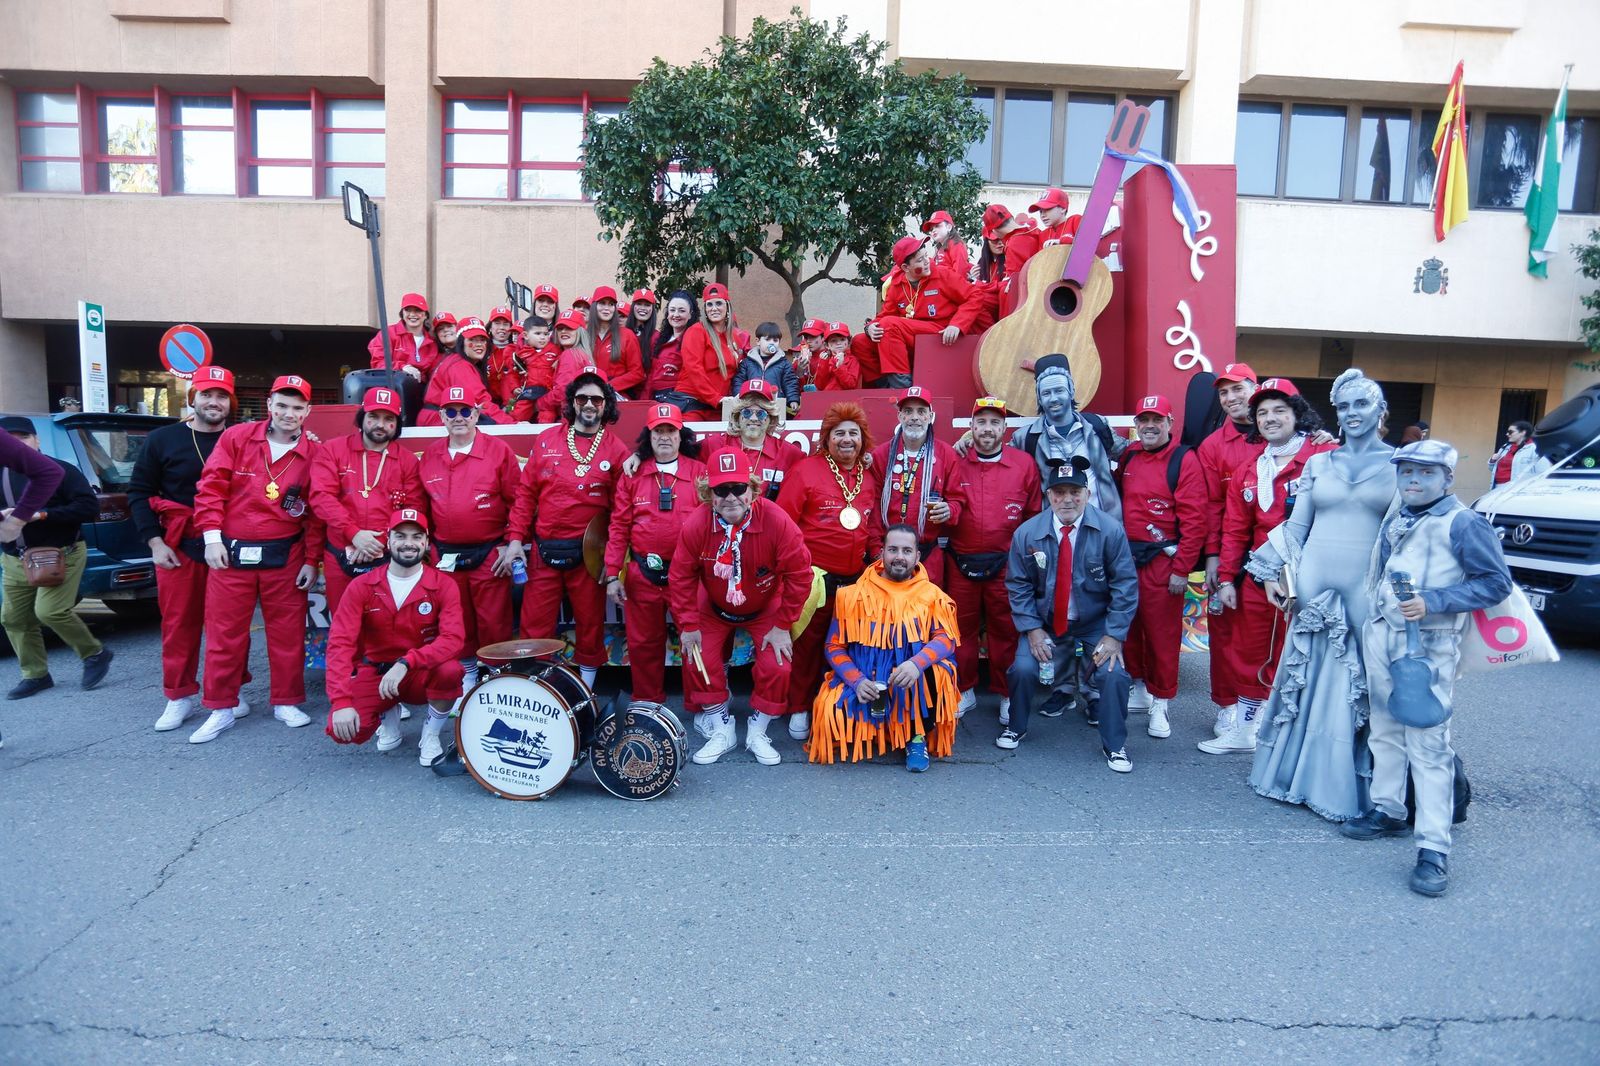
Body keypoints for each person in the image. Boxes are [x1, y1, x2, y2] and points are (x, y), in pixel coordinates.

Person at [1344, 440, 1512, 897]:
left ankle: (1434, 847)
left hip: (1429, 646)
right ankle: (1389, 809)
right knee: (1383, 729)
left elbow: (1496, 584)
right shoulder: (1399, 515)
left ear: (1447, 478)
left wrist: (1435, 601)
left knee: (1428, 743)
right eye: (1407, 472)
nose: (1414, 480)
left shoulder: (1464, 522)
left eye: (1425, 473)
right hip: (1382, 637)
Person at [1233, 372, 1398, 825]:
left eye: (1361, 405)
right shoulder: (1319, 464)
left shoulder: (1402, 464)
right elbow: (1296, 527)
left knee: (1355, 685)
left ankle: (1347, 789)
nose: (1352, 414)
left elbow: (1407, 537)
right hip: (1313, 586)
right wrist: (1271, 572)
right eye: (1344, 407)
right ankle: (1291, 777)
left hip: (1366, 591)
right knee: (1303, 682)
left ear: (1380, 411)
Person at [1200, 378, 1339, 756]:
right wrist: (1227, 577)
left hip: (1316, 578)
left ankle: (1304, 737)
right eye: (1262, 413)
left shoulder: (1325, 458)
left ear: (1297, 413)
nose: (1270, 419)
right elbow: (1234, 528)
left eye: (1279, 410)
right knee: (1250, 652)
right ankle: (1244, 731)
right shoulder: (1249, 468)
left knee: (1308, 656)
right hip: (1261, 577)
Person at [190, 375, 324, 743]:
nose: (289, 413)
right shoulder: (236, 438)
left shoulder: (315, 453)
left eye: (297, 407)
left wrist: (311, 560)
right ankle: (221, 707)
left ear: (308, 411)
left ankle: (286, 700)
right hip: (231, 555)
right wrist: (212, 538)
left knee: (288, 633)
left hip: (286, 555)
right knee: (223, 634)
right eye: (282, 405)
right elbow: (211, 487)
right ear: (269, 405)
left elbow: (315, 514)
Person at [673, 452, 813, 765]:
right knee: (696, 657)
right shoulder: (697, 523)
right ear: (709, 494)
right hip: (713, 605)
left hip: (765, 607)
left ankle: (758, 728)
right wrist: (688, 625)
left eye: (738, 487)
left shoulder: (776, 520)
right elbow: (681, 576)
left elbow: (800, 575)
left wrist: (782, 626)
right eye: (721, 490)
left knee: (779, 664)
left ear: (751, 488)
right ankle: (723, 726)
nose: (731, 498)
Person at [1001, 456, 1139, 772]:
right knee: (1022, 669)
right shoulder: (1027, 533)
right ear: (1048, 496)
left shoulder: (1109, 530)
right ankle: (1016, 726)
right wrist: (1032, 629)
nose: (1067, 499)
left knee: (1114, 675)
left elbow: (1125, 585)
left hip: (1095, 624)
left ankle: (1115, 745)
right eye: (1059, 492)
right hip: (1047, 622)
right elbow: (1018, 584)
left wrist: (1114, 634)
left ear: (1087, 494)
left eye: (1074, 492)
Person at [129, 365, 246, 730]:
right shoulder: (162, 439)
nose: (214, 402)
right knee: (179, 624)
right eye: (207, 394)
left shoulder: (244, 439)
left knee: (227, 625)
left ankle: (229, 691)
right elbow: (139, 492)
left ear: (231, 402)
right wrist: (154, 542)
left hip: (229, 545)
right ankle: (178, 696)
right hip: (177, 543)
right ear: (193, 397)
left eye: (222, 395)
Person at [505, 369, 633, 690]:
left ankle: (586, 693)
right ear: (572, 403)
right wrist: (515, 540)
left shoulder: (617, 450)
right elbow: (525, 495)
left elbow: (622, 512)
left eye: (596, 399)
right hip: (545, 552)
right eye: (582, 398)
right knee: (534, 627)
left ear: (606, 405)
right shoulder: (547, 439)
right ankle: (535, 693)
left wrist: (613, 562)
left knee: (590, 626)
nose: (589, 404)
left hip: (589, 557)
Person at [808, 524, 960, 772]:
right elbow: (833, 646)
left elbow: (946, 639)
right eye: (893, 549)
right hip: (866, 682)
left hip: (911, 682)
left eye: (907, 550)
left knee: (938, 671)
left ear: (917, 556)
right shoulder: (851, 595)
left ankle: (916, 736)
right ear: (882, 553)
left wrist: (916, 664)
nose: (899, 556)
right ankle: (875, 728)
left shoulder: (933, 595)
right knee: (826, 715)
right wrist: (856, 681)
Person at [776, 401, 884, 740]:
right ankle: (798, 708)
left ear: (863, 440)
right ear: (827, 438)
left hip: (855, 583)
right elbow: (782, 524)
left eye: (854, 433)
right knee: (807, 647)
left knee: (846, 648)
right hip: (814, 580)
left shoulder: (868, 478)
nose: (847, 439)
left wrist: (880, 562)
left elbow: (871, 527)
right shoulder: (806, 470)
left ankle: (836, 709)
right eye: (840, 433)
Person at [325, 508, 466, 766]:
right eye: (400, 536)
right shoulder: (361, 586)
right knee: (344, 730)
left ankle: (431, 735)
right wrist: (341, 701)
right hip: (377, 673)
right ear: (388, 541)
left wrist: (407, 663)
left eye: (416, 537)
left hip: (418, 672)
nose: (408, 544)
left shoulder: (444, 584)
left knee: (450, 670)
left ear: (426, 543)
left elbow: (453, 639)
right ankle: (387, 714)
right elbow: (339, 645)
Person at [0, 416, 113, 700]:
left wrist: (42, 514)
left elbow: (88, 507)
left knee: (49, 611)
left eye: (23, 438)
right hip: (16, 557)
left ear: (37, 440)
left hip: (62, 553)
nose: (17, 444)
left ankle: (94, 653)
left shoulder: (60, 469)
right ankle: (35, 675)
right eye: (10, 439)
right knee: (13, 619)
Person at [603, 403, 707, 708]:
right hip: (642, 573)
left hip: (688, 576)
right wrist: (612, 575)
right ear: (647, 436)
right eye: (657, 431)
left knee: (695, 640)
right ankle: (647, 703)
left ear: (680, 434)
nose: (664, 437)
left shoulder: (700, 473)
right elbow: (619, 526)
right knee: (643, 643)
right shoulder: (632, 475)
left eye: (670, 430)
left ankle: (701, 706)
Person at [1117, 394, 1207, 740]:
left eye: (1157, 420)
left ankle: (1161, 702)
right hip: (1127, 559)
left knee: (1162, 637)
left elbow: (1195, 520)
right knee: (1128, 628)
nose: (1150, 426)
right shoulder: (1129, 455)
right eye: (1144, 420)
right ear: (1136, 425)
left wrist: (1181, 570)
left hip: (1163, 562)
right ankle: (1137, 688)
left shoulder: (1184, 460)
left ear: (1170, 424)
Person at [417, 393, 521, 692]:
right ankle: (468, 677)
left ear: (476, 415)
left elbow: (519, 502)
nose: (458, 417)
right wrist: (424, 545)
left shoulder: (498, 451)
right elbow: (420, 505)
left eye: (465, 411)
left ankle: (498, 680)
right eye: (451, 412)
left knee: (494, 622)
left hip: (489, 551)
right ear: (441, 417)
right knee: (456, 621)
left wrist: (511, 541)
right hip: (445, 553)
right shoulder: (431, 456)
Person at [948, 396, 1041, 725]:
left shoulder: (1024, 465)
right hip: (961, 563)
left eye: (994, 423)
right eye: (981, 422)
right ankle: (964, 689)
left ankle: (1005, 692)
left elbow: (1033, 517)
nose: (988, 429)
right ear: (971, 428)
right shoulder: (954, 461)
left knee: (1006, 632)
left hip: (1007, 567)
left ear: (1005, 428)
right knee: (961, 632)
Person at [1195, 363, 1267, 740]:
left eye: (1237, 389)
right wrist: (1211, 558)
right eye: (1224, 393)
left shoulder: (1277, 433)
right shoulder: (1212, 446)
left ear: (1254, 388)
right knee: (1223, 636)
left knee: (1267, 636)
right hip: (1227, 554)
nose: (1231, 398)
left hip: (1272, 556)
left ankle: (1261, 709)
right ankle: (1226, 708)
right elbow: (1210, 505)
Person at [309, 386, 422, 615]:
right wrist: (354, 534)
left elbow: (414, 508)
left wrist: (377, 542)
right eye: (374, 417)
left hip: (387, 559)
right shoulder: (333, 450)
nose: (380, 424)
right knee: (343, 626)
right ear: (362, 417)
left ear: (397, 423)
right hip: (339, 556)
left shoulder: (408, 461)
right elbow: (322, 498)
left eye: (388, 418)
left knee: (384, 630)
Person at [1006, 353, 1127, 518]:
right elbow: (997, 458)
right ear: (1039, 398)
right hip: (1054, 531)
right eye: (1046, 393)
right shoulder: (1025, 438)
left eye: (1059, 390)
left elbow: (1130, 454)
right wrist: (967, 443)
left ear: (1071, 391)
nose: (1054, 398)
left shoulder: (1098, 427)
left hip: (1102, 528)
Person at [850, 236, 979, 388]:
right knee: (860, 342)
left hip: (941, 333)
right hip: (911, 337)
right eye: (919, 260)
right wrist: (869, 328)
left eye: (926, 256)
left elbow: (975, 296)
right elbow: (885, 315)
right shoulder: (897, 285)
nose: (926, 262)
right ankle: (884, 387)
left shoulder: (943, 274)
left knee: (889, 325)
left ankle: (901, 387)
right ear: (905, 267)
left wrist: (957, 325)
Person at [871, 386, 963, 587]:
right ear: (900, 416)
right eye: (908, 411)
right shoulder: (882, 455)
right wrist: (876, 549)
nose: (914, 417)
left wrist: (950, 509)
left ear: (930, 416)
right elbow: (874, 504)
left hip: (928, 556)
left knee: (926, 614)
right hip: (889, 555)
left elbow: (957, 499)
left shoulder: (946, 455)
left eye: (921, 411)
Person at [702, 380, 805, 501]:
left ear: (771, 418)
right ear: (737, 417)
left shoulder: (790, 454)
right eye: (746, 412)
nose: (753, 418)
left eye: (761, 413)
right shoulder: (712, 446)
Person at [418, 317, 510, 426]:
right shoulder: (459, 365)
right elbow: (481, 402)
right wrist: (512, 424)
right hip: (437, 422)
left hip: (447, 418)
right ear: (461, 343)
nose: (479, 344)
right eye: (472, 340)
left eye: (482, 340)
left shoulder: (458, 361)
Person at [677, 283, 752, 416]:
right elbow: (694, 369)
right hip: (693, 404)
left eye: (719, 303)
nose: (714, 308)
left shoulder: (735, 337)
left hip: (720, 406)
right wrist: (716, 398)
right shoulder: (696, 331)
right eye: (709, 305)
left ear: (727, 306)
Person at [536, 310, 605, 423]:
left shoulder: (570, 354)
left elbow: (562, 391)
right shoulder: (583, 354)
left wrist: (539, 403)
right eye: (560, 328)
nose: (563, 331)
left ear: (580, 331)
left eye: (569, 328)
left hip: (569, 419)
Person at [980, 203, 1042, 318]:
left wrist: (981, 286)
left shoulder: (1013, 242)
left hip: (1020, 305)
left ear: (994, 231)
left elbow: (1013, 281)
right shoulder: (1035, 233)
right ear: (1011, 218)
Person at [586, 286, 646, 399]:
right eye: (602, 303)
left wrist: (608, 386)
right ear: (594, 306)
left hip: (617, 396)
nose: (607, 308)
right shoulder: (584, 335)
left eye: (611, 304)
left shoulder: (627, 335)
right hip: (588, 396)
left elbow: (637, 373)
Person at [730, 322, 801, 415]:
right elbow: (739, 381)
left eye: (775, 340)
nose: (772, 343)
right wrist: (738, 396)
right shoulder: (747, 362)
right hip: (751, 404)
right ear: (758, 341)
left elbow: (790, 382)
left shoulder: (784, 363)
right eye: (767, 340)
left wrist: (793, 399)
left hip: (775, 404)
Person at [367, 292, 438, 380]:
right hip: (393, 386)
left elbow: (434, 373)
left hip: (421, 389)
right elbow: (378, 363)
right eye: (408, 310)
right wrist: (402, 367)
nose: (412, 314)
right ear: (402, 313)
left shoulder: (432, 342)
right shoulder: (388, 333)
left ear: (425, 315)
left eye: (418, 310)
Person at [647, 291, 697, 404]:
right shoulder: (659, 339)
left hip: (678, 400)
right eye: (672, 310)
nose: (676, 315)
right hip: (654, 399)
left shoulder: (694, 341)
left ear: (691, 314)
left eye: (682, 310)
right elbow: (651, 375)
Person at [810, 322, 862, 392]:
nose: (838, 343)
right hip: (828, 400)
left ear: (849, 342)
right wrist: (823, 364)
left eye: (842, 339)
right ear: (827, 345)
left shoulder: (853, 360)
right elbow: (820, 386)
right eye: (833, 340)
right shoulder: (826, 360)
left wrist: (840, 367)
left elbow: (851, 385)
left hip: (847, 400)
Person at [1488, 420, 1542, 486]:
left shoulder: (1534, 448)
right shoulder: (1505, 447)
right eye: (1507, 432)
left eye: (1511, 432)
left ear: (1523, 432)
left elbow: (1541, 471)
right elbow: (1492, 469)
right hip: (1497, 486)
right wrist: (1492, 460)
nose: (1507, 434)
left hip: (1517, 488)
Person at [921, 210, 971, 277]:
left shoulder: (956, 244)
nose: (933, 230)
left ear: (949, 227)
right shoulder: (939, 247)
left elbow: (960, 273)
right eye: (931, 229)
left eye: (937, 226)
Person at [625, 288, 658, 376]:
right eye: (639, 304)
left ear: (652, 309)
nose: (642, 308)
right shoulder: (623, 333)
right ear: (633, 307)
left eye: (647, 305)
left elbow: (653, 372)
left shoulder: (656, 337)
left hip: (645, 387)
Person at [791, 317, 826, 391]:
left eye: (813, 336)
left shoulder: (831, 357)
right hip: (806, 400)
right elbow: (796, 390)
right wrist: (799, 372)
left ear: (823, 337)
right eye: (806, 337)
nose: (808, 341)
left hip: (827, 400)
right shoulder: (801, 359)